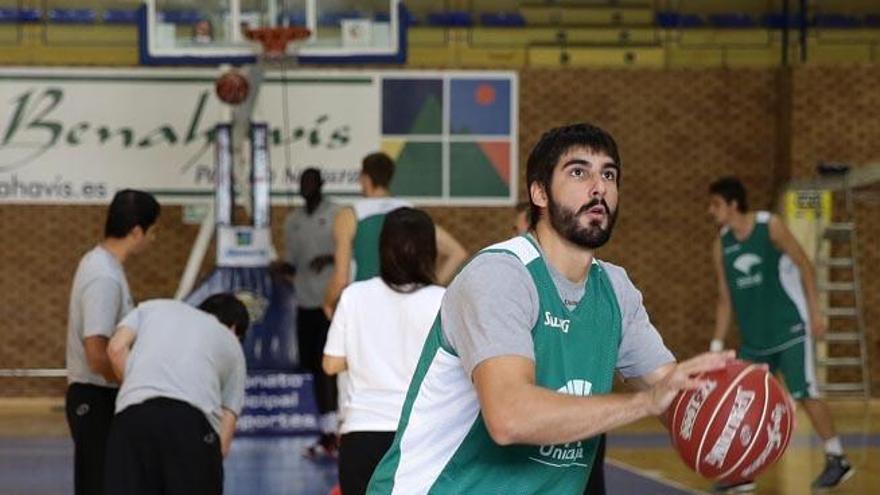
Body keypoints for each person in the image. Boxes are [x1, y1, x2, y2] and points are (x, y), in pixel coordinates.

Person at [367, 123, 733, 493]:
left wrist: (738, 428)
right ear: (539, 193)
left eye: (609, 174)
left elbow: (676, 399)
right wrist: (644, 403)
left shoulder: (615, 290)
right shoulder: (500, 275)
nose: (599, 187)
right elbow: (509, 416)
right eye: (579, 172)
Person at [708, 176, 853, 492]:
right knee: (742, 402)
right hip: (755, 341)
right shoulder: (722, 244)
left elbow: (804, 265)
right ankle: (742, 471)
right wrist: (716, 345)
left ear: (733, 204)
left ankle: (836, 457)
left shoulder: (769, 225)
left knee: (805, 392)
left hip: (790, 329)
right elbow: (724, 298)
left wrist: (816, 312)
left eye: (716, 204)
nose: (711, 210)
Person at [322, 207, 445, 495]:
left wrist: (369, 350)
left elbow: (330, 364)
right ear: (429, 250)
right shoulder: (444, 300)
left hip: (361, 433)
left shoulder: (354, 295)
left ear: (382, 248)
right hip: (422, 434)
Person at [103, 294, 250, 495]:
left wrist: (139, 383)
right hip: (190, 426)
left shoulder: (154, 306)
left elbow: (116, 348)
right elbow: (224, 437)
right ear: (234, 328)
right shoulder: (231, 343)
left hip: (131, 420)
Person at [65, 189, 160, 495]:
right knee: (99, 484)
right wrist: (133, 388)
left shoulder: (104, 265)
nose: (154, 239)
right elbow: (96, 352)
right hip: (95, 399)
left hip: (101, 397)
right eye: (153, 230)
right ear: (136, 231)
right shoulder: (103, 275)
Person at [513, 199, 606, 495]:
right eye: (515, 232)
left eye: (524, 231)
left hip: (581, 422)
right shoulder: (509, 283)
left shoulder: (600, 289)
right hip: (534, 423)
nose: (519, 239)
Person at [322, 152, 467, 317]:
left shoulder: (349, 215)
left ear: (365, 178)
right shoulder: (409, 212)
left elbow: (341, 278)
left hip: (366, 307)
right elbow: (457, 252)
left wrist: (328, 303)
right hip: (406, 308)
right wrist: (428, 289)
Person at [282, 168, 341, 458]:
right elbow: (291, 265)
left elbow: (348, 252)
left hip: (331, 303)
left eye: (310, 181)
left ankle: (338, 431)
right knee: (313, 367)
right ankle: (327, 432)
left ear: (321, 184)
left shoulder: (337, 214)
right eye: (301, 182)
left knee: (329, 366)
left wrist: (329, 257)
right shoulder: (292, 221)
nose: (305, 186)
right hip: (305, 303)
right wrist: (278, 268)